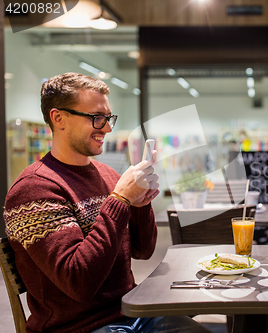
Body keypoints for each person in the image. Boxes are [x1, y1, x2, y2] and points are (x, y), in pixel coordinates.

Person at [3, 73, 211, 333]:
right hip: (77, 327)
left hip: (131, 310)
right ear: (58, 118)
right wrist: (121, 199)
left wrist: (140, 204)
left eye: (108, 118)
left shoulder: (108, 175)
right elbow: (79, 282)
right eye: (96, 118)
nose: (107, 128)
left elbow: (142, 250)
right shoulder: (34, 190)